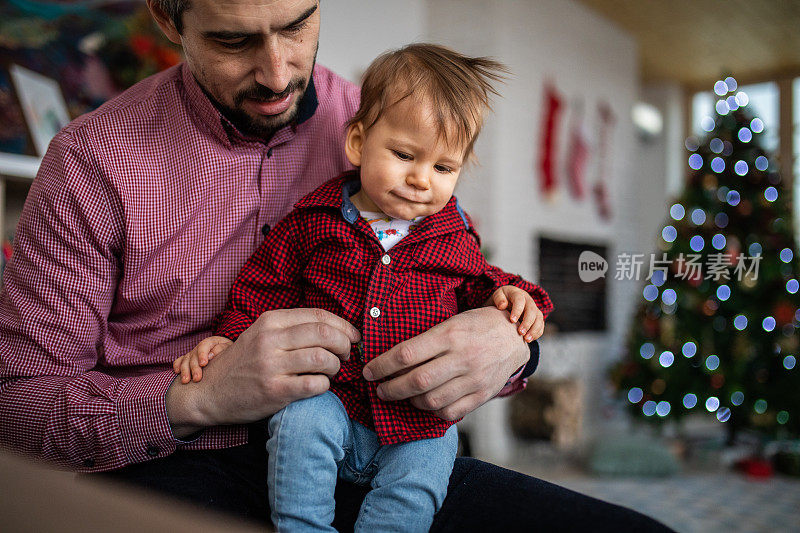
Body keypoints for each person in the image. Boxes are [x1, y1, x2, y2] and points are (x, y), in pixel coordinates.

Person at [0, 1, 673, 531]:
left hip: (375, 443)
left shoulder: (387, 123)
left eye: (298, 23)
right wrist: (197, 398)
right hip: (173, 466)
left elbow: (455, 267)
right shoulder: (92, 162)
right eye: (234, 40)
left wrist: (511, 345)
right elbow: (18, 405)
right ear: (166, 16)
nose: (278, 71)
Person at [172, 43, 551, 532]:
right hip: (331, 396)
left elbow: (483, 283)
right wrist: (230, 336)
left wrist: (515, 302)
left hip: (414, 419)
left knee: (431, 464)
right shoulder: (314, 220)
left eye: (443, 168)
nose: (420, 180)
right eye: (404, 155)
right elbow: (265, 286)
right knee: (297, 423)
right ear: (357, 143)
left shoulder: (452, 234)